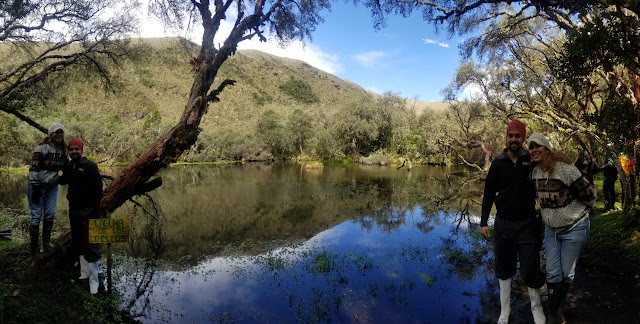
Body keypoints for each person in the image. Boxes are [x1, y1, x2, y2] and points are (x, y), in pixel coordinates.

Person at [481, 120, 545, 324]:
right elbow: (489, 192)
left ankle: (537, 309)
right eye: (511, 136)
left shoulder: (531, 160)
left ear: (523, 138)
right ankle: (504, 311)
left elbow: (548, 173)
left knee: (531, 266)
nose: (514, 139)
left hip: (527, 224)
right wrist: (484, 222)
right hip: (503, 224)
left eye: (517, 136)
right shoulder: (498, 162)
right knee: (504, 266)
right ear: (506, 138)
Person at [528, 133, 596, 324]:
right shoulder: (535, 172)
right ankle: (555, 313)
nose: (534, 150)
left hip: (575, 228)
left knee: (566, 273)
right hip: (551, 230)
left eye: (537, 146)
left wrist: (583, 211)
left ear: (546, 148)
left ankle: (557, 309)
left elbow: (589, 193)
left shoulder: (564, 169)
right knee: (552, 273)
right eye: (531, 147)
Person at [59, 139, 102, 294]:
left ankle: (94, 281)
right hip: (74, 211)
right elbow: (62, 180)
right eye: (71, 149)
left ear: (81, 150)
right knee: (79, 244)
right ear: (68, 152)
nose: (74, 152)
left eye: (76, 149)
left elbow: (98, 190)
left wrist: (94, 211)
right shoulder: (70, 166)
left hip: (89, 212)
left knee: (91, 245)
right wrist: (61, 166)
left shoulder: (90, 166)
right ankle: (84, 276)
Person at [27, 122, 68, 258]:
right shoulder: (42, 148)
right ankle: (34, 248)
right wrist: (35, 185)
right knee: (36, 215)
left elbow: (66, 167)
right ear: (51, 134)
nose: (59, 135)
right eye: (56, 132)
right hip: (36, 184)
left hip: (52, 187)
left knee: (50, 214)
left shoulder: (64, 150)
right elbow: (33, 168)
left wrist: (62, 177)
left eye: (61, 132)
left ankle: (46, 244)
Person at [600, 144, 618, 211]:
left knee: (605, 190)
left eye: (609, 147)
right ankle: (611, 205)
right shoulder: (612, 153)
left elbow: (610, 164)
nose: (607, 148)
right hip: (611, 174)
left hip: (609, 175)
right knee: (611, 189)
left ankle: (607, 206)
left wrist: (601, 168)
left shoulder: (612, 154)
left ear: (612, 147)